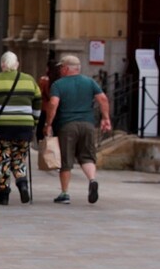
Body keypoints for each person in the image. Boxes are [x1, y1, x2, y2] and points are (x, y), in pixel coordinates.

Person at [44, 55, 112, 204]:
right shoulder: (90, 82)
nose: (60, 70)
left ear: (67, 68)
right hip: (87, 125)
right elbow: (103, 99)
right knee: (87, 156)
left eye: (62, 67)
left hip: (67, 126)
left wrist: (48, 123)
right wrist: (105, 118)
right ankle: (92, 180)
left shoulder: (58, 85)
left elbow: (54, 104)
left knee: (66, 160)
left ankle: (65, 193)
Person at [0, 51, 41, 205]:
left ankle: (4, 195)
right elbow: (38, 102)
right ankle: (22, 183)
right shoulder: (29, 80)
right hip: (24, 126)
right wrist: (34, 122)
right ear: (17, 65)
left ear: (2, 64)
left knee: (2, 159)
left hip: (1, 127)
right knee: (19, 158)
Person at [36, 58, 62, 143]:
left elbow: (38, 94)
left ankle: (43, 148)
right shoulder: (60, 81)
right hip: (58, 109)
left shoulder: (43, 80)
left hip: (45, 109)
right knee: (57, 131)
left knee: (40, 131)